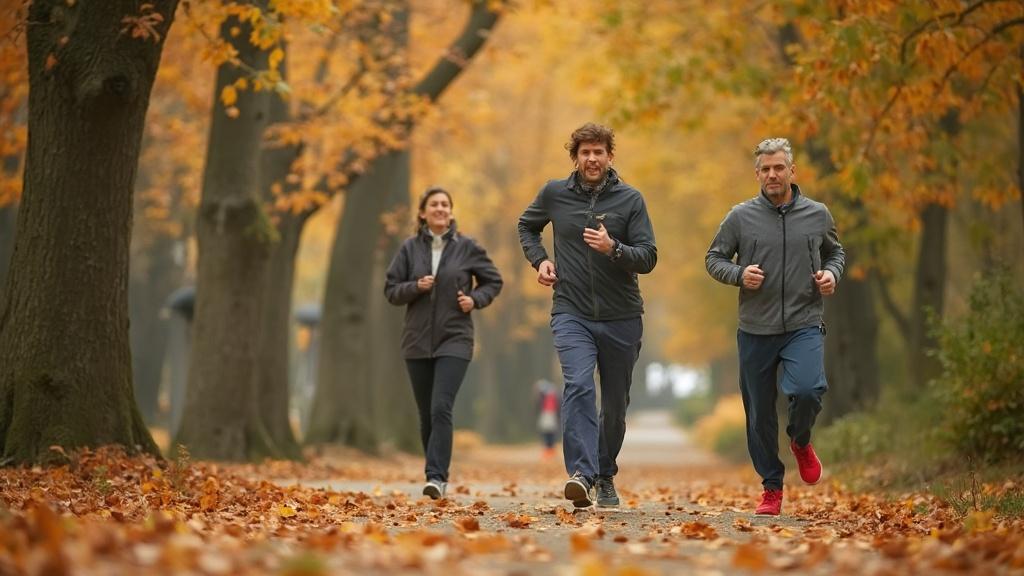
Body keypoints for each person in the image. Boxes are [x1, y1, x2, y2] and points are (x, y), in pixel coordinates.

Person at [518, 122, 657, 508]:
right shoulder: (554, 194)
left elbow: (648, 257)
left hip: (622, 315)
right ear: (575, 158)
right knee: (577, 385)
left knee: (614, 405)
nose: (592, 158)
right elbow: (527, 226)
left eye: (599, 152)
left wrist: (614, 248)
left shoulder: (630, 200)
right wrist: (540, 261)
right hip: (571, 310)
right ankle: (581, 474)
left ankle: (605, 474)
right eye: (585, 152)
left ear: (610, 156)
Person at [705, 137, 845, 516]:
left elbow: (835, 252)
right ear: (757, 174)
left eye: (778, 167)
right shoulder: (740, 217)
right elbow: (714, 258)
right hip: (755, 327)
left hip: (803, 321)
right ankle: (771, 488)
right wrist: (738, 273)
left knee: (808, 389)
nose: (772, 174)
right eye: (765, 169)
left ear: (792, 171)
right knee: (759, 415)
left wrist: (831, 274)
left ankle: (800, 440)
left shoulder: (817, 214)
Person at [385, 186, 503, 499]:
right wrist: (415, 287)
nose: (440, 208)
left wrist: (475, 300)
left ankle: (436, 477)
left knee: (441, 407)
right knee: (426, 413)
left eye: (445, 204)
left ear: (451, 212)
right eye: (434, 204)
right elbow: (391, 290)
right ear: (422, 213)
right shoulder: (409, 249)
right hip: (417, 340)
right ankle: (434, 470)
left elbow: (494, 281)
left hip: (456, 338)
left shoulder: (468, 248)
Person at [536, 379, 561, 460]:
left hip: (550, 414)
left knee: (550, 432)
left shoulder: (549, 395)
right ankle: (548, 449)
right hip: (547, 414)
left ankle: (550, 449)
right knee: (547, 432)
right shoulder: (548, 395)